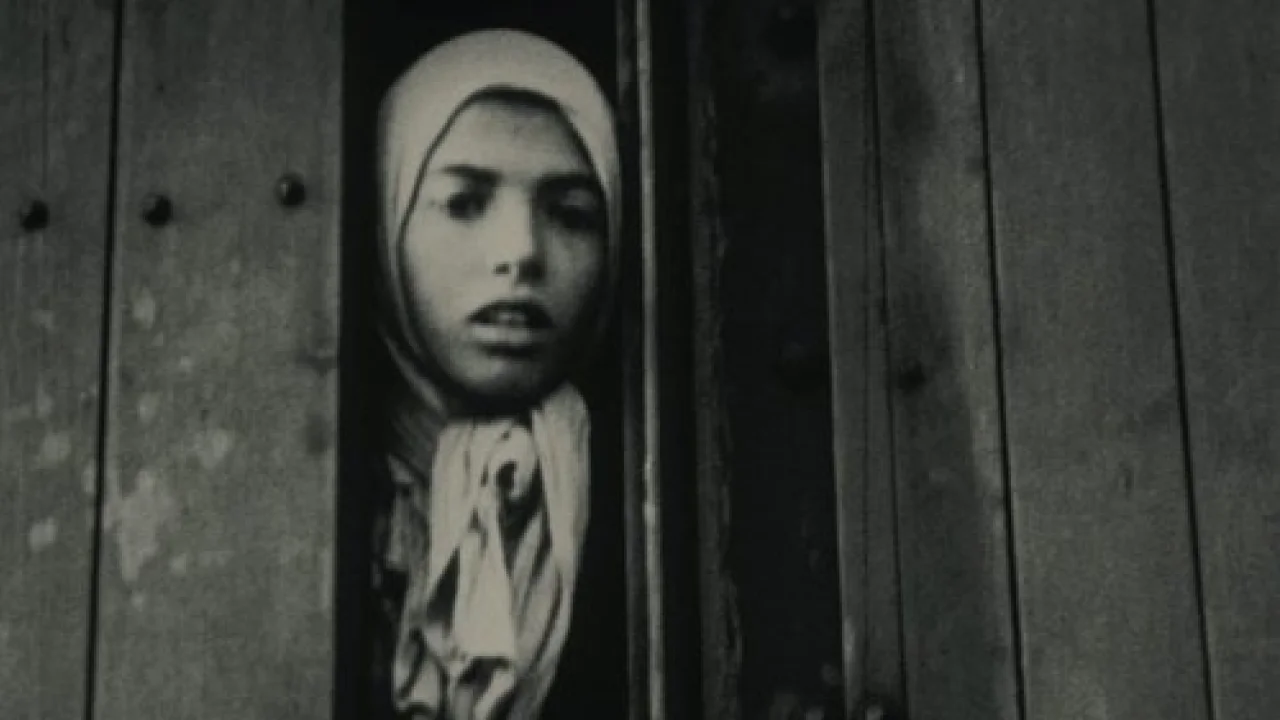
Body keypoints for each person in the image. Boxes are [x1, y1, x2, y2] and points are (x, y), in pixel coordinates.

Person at [369, 28, 625, 720]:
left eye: (571, 214)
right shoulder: (318, 483)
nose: (521, 253)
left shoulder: (648, 512)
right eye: (463, 203)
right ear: (385, 221)